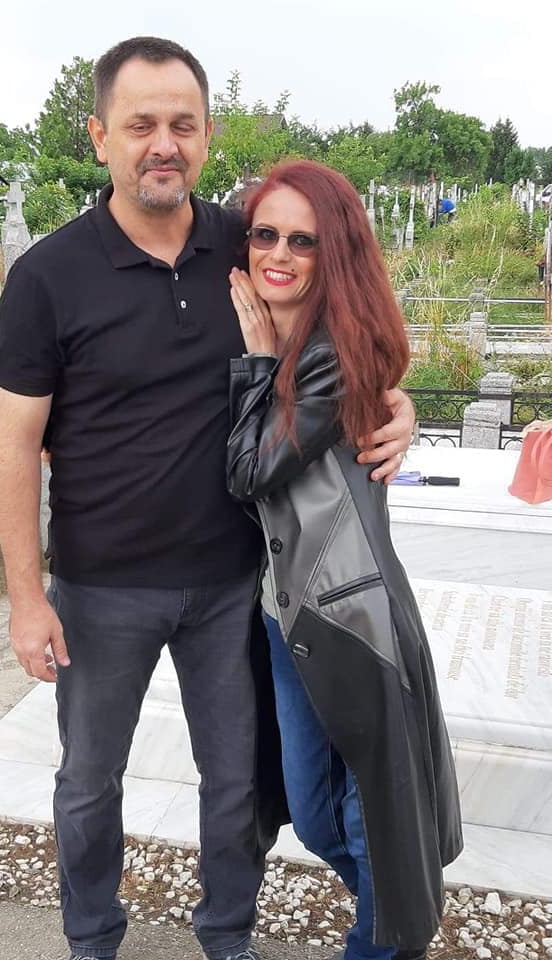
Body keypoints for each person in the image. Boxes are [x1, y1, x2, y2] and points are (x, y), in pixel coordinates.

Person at [0, 37, 417, 960]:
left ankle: (227, 938)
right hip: (100, 587)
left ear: (207, 136)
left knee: (234, 788)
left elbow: (342, 316)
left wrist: (397, 400)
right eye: (140, 124)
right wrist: (26, 598)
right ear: (99, 135)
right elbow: (16, 445)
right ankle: (92, 940)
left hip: (231, 584)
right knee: (89, 782)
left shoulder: (245, 241)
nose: (163, 144)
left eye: (182, 125)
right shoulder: (48, 277)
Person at [226, 159, 463, 960]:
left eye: (304, 240)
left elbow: (250, 471)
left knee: (365, 821)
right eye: (265, 234)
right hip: (283, 617)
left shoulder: (334, 350)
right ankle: (398, 924)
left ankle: (386, 940)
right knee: (318, 816)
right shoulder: (267, 329)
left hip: (346, 619)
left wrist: (261, 365)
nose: (279, 253)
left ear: (337, 252)